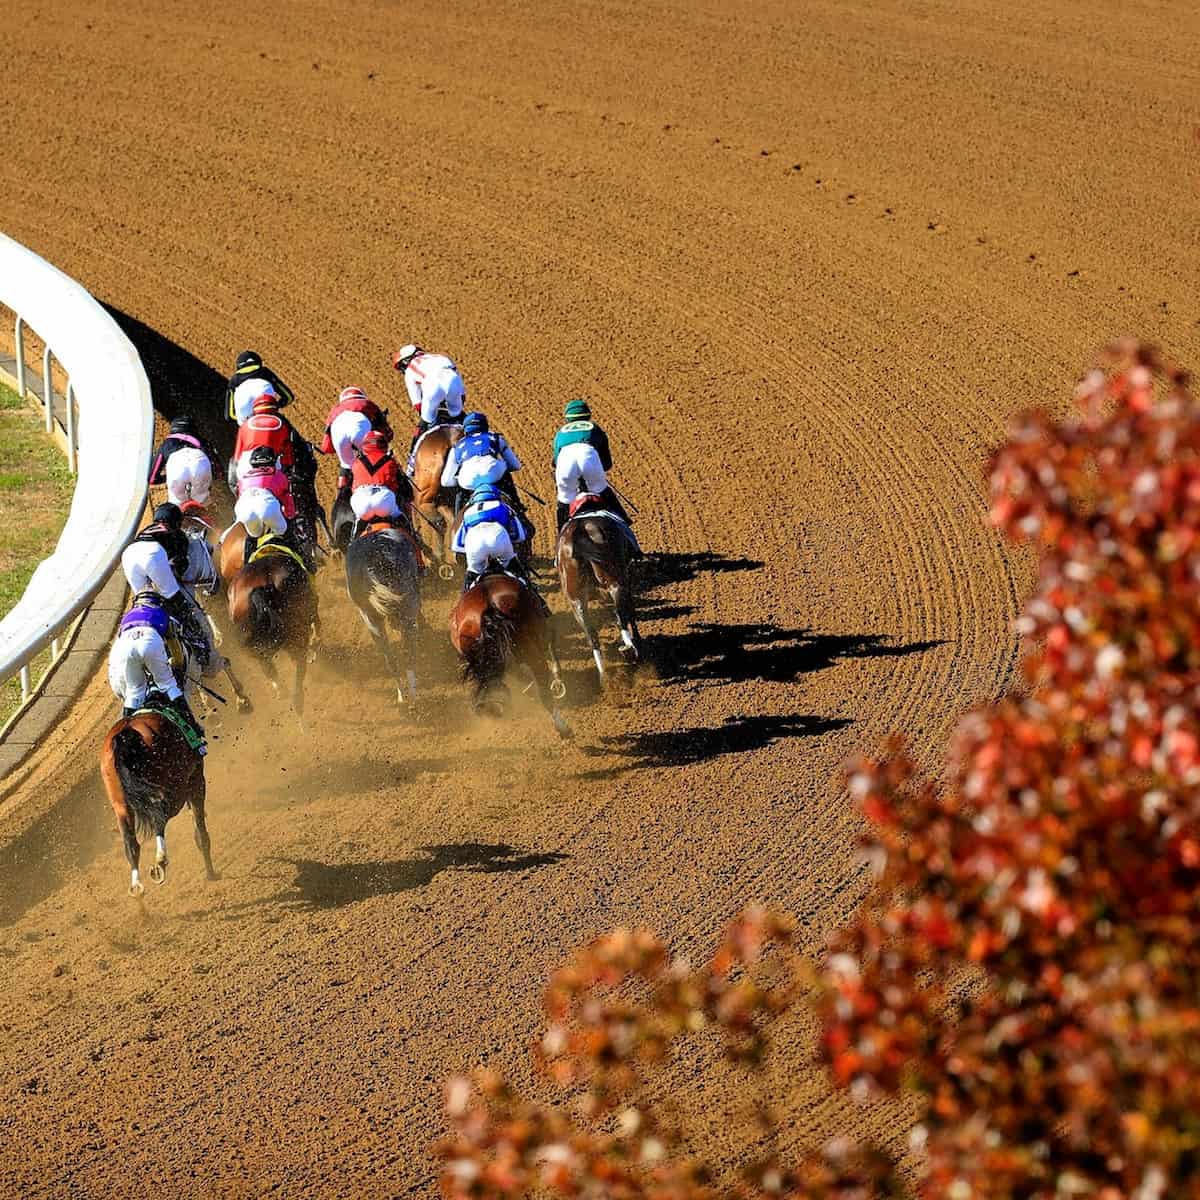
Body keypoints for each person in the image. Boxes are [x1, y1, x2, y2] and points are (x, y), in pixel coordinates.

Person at [108, 592, 206, 751]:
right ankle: (194, 732)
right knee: (169, 685)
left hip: (125, 646)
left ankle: (124, 736)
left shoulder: (127, 617)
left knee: (134, 692)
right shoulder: (162, 613)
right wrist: (172, 667)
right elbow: (176, 651)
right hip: (149, 641)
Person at [121, 504, 215, 670]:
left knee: (146, 603)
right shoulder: (177, 534)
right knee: (180, 605)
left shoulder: (147, 530)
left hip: (128, 554)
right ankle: (202, 650)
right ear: (177, 522)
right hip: (152, 554)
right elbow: (182, 567)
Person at [453, 484, 547, 612]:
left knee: (471, 575)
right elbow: (520, 535)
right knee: (516, 569)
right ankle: (539, 602)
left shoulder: (467, 513)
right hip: (498, 537)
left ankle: (461, 604)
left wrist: (474, 556)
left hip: (474, 543)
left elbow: (457, 545)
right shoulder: (503, 506)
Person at [551, 398, 632, 531]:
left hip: (565, 465)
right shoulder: (595, 428)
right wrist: (598, 474)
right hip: (589, 459)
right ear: (588, 415)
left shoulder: (560, 433)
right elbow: (607, 463)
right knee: (602, 490)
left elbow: (555, 462)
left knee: (564, 499)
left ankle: (561, 532)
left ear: (567, 418)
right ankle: (624, 520)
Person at [441, 412, 523, 510]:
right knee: (504, 469)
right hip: (493, 474)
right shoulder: (495, 437)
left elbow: (446, 481)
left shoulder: (456, 447)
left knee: (460, 490)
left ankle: (458, 515)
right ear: (485, 426)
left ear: (466, 429)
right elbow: (516, 465)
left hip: (468, 480)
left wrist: (459, 480)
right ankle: (517, 506)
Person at [320, 387, 393, 486]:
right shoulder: (366, 403)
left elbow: (326, 448)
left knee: (346, 465)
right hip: (360, 430)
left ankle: (342, 492)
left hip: (338, 433)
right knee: (377, 456)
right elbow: (386, 431)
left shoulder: (334, 411)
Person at [393, 344, 466, 440]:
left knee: (426, 422)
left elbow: (418, 403)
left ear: (406, 360)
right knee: (459, 416)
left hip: (432, 385)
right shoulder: (441, 357)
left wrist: (424, 417)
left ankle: (414, 448)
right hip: (453, 380)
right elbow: (461, 392)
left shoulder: (409, 371)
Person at [149, 415, 222, 494]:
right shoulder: (203, 442)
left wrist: (168, 477)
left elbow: (152, 479)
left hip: (177, 475)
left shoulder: (166, 444)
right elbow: (219, 472)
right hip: (199, 474)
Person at [225, 350, 294, 423]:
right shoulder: (265, 372)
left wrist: (244, 418)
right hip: (267, 411)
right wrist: (275, 407)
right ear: (259, 363)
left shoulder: (234, 380)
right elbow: (288, 397)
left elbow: (229, 416)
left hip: (247, 420)